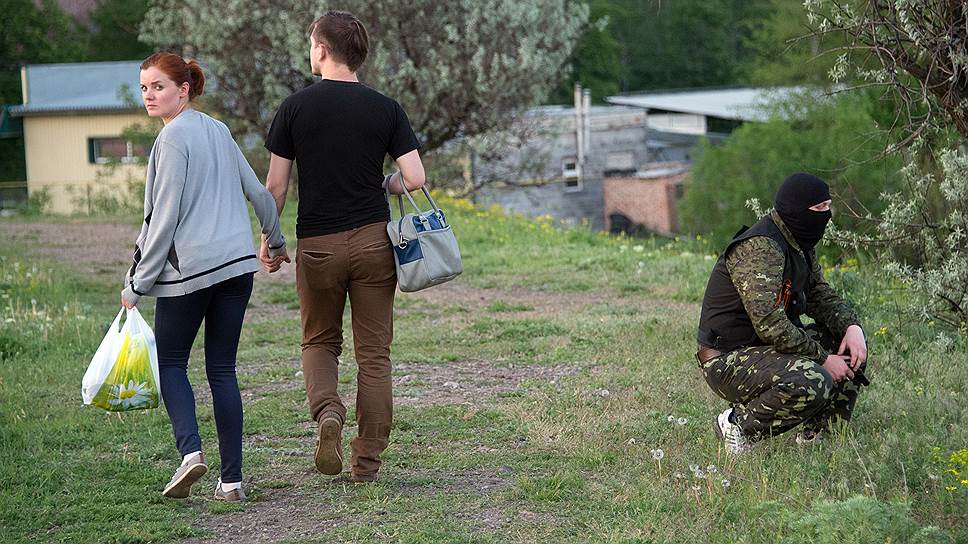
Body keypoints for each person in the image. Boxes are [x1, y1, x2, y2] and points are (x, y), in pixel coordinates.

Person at [260, 11, 425, 483]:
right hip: (374, 243)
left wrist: (269, 240)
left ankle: (328, 411)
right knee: (374, 355)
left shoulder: (294, 108)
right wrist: (384, 183)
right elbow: (415, 177)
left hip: (318, 247)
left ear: (321, 50)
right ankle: (366, 462)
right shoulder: (386, 108)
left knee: (319, 341)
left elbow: (275, 187)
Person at [122, 52, 288, 500]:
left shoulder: (171, 139)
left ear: (184, 89)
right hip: (237, 268)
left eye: (158, 86)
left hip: (190, 272)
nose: (149, 95)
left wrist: (137, 283)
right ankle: (232, 483)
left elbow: (162, 219)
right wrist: (275, 241)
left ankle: (191, 453)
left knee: (170, 363)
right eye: (144, 88)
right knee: (222, 370)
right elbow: (259, 194)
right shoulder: (218, 129)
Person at [695, 173, 868, 454]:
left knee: (847, 344)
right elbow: (770, 324)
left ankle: (819, 437)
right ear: (797, 210)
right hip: (727, 360)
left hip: (766, 351)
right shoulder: (760, 248)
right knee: (813, 378)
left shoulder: (799, 243)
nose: (827, 216)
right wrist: (824, 359)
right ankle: (736, 424)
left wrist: (852, 327)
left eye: (829, 206)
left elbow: (818, 294)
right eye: (820, 208)